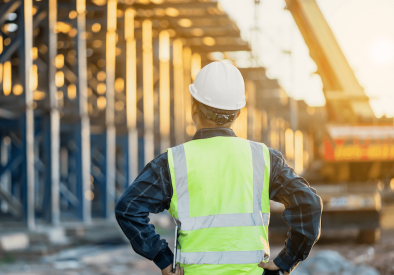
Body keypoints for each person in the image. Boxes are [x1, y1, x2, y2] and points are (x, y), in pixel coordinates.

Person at [115, 62, 322, 275]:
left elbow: (128, 208)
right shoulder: (263, 158)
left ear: (194, 106)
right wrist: (287, 260)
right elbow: (309, 203)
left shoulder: (172, 162)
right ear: (238, 112)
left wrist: (163, 258)